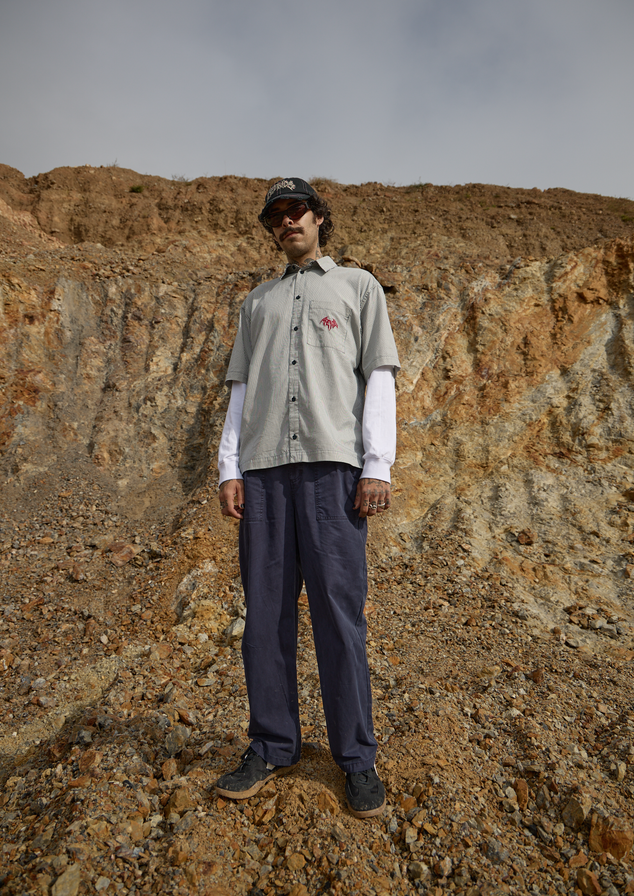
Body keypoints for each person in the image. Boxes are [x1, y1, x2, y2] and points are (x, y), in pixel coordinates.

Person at [214, 177, 400, 818]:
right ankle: (272, 746)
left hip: (333, 475)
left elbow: (379, 376)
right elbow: (241, 389)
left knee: (339, 618)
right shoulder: (257, 303)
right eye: (276, 216)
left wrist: (377, 465)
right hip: (263, 475)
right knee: (264, 619)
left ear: (320, 218)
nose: (287, 221)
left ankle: (357, 759)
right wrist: (228, 468)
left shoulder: (358, 288)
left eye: (297, 210)